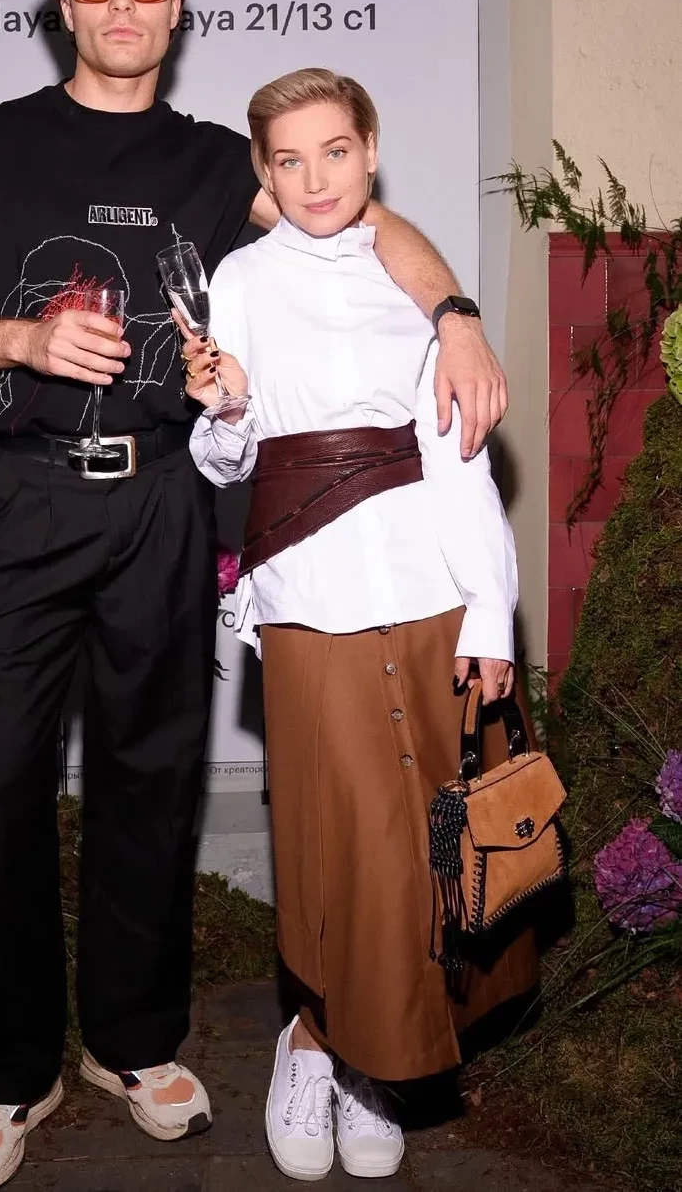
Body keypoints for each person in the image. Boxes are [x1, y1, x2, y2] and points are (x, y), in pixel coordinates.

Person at [0, 0, 509, 1189]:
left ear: (175, 3)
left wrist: (453, 314)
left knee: (150, 780)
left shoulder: (226, 166)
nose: (122, 4)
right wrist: (19, 339)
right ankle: (13, 1065)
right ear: (63, 0)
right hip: (19, 502)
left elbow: (363, 222)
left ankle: (130, 1038)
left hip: (164, 500)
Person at [183, 68, 538, 1183]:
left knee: (428, 842)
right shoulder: (240, 278)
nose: (314, 179)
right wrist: (223, 403)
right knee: (338, 844)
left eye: (334, 151)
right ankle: (313, 1039)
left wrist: (490, 613)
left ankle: (376, 1063)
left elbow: (456, 456)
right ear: (262, 170)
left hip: (429, 595)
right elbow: (225, 461)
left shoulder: (414, 282)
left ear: (370, 150)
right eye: (286, 160)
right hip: (310, 602)